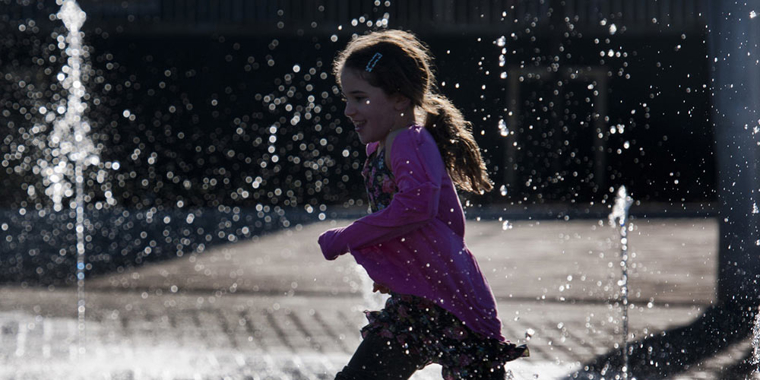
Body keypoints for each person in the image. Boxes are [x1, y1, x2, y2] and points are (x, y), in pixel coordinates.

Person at [318, 29, 528, 380]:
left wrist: (347, 237)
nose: (348, 110)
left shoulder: (409, 141)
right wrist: (403, 270)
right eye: (346, 98)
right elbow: (446, 223)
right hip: (418, 306)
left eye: (358, 97)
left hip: (452, 308)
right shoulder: (384, 146)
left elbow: (416, 208)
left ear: (399, 99)